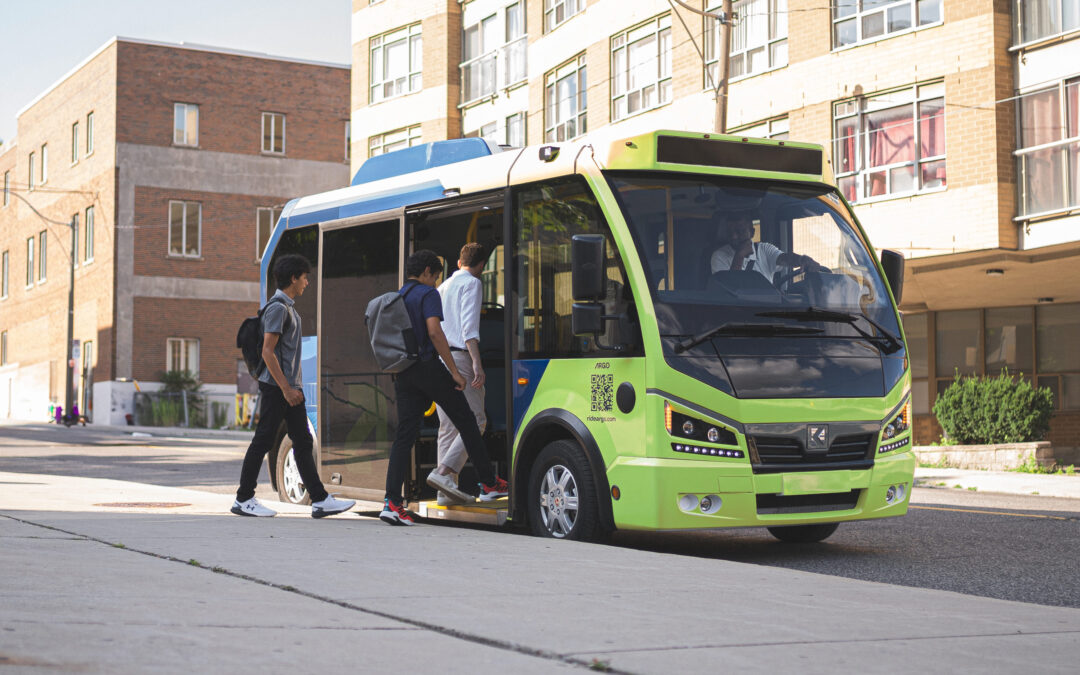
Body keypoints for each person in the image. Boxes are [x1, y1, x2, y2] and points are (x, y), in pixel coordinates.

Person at [381, 249, 508, 526]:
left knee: (405, 436)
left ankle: (391, 503)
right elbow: (435, 332)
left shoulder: (399, 296)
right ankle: (487, 483)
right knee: (469, 420)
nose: (436, 281)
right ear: (427, 272)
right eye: (435, 276)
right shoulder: (427, 294)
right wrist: (454, 372)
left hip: (404, 371)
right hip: (430, 368)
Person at [232, 254, 355, 518]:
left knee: (302, 440)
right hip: (279, 388)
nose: (307, 283)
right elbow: (268, 351)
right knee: (264, 440)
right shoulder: (278, 308)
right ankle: (244, 498)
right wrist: (286, 389)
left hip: (289, 388)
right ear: (293, 278)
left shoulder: (288, 308)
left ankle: (320, 499)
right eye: (304, 278)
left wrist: (292, 388)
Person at [428, 243, 488, 505]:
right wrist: (477, 363)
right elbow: (469, 328)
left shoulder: (443, 287)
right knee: (476, 422)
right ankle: (444, 473)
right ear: (482, 265)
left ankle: (445, 493)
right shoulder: (472, 284)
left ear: (458, 260)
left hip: (442, 359)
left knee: (448, 426)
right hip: (462, 357)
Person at [710, 211, 825, 281]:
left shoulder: (764, 250)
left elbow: (785, 258)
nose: (734, 237)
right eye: (730, 233)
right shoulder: (719, 256)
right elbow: (730, 287)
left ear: (752, 232)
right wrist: (739, 256)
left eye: (740, 231)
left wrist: (802, 260)